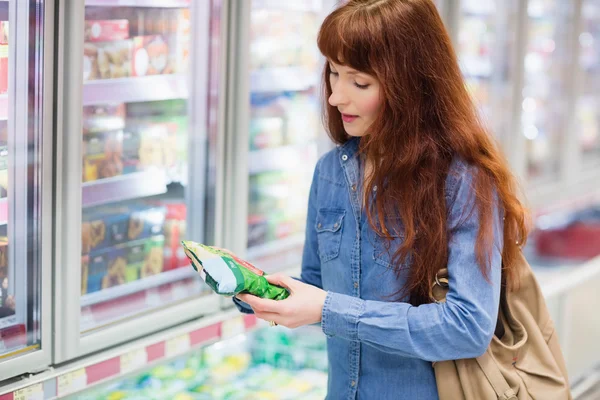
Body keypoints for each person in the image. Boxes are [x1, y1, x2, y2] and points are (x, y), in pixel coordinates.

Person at [235, 0, 529, 398]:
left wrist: (329, 311)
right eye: (333, 74)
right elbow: (318, 287)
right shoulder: (331, 172)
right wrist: (255, 289)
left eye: (359, 82)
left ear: (411, 86)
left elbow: (467, 327)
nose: (337, 97)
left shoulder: (463, 180)